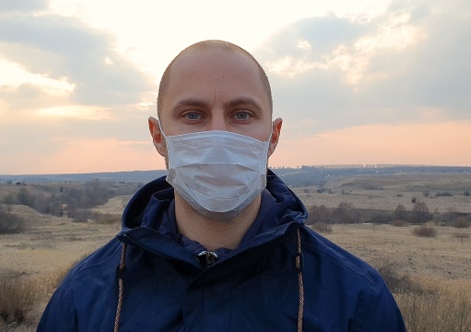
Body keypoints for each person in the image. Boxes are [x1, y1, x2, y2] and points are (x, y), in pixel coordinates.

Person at [37, 40, 406, 331]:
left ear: (272, 136)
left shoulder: (356, 298)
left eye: (241, 114)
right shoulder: (86, 296)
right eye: (193, 115)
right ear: (158, 136)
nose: (218, 135)